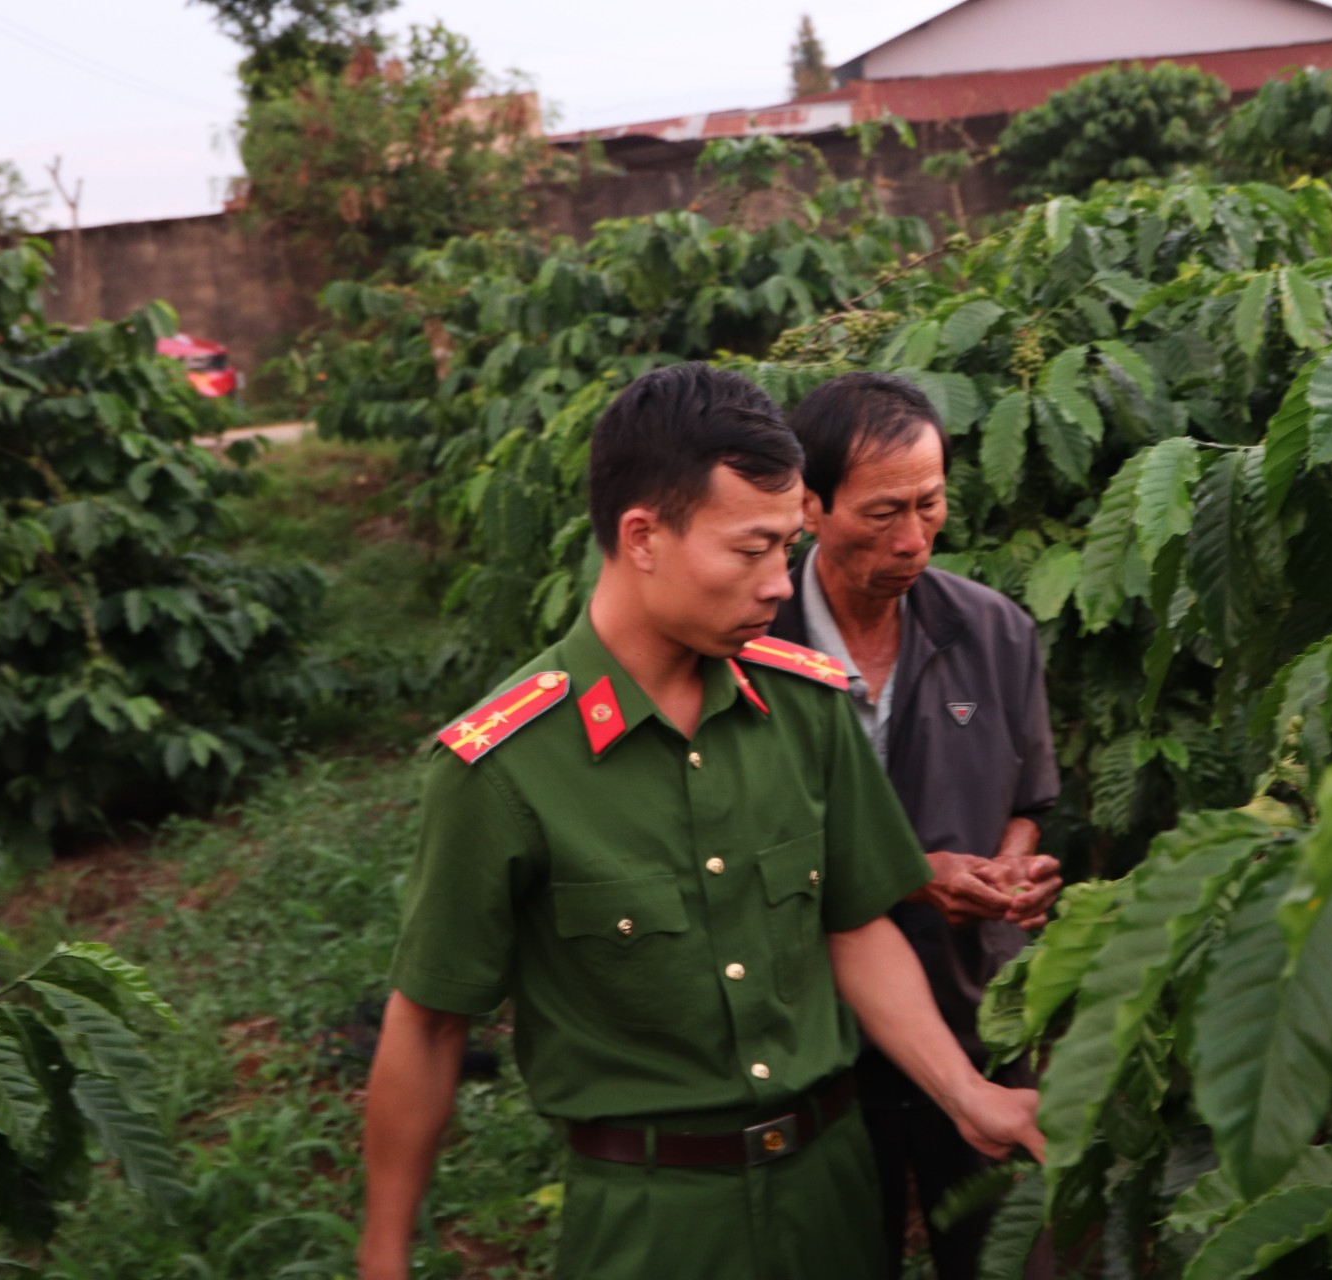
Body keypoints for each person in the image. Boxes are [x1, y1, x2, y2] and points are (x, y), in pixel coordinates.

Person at [357, 363, 1044, 1280]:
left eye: (785, 547)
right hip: (653, 1221)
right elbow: (432, 1022)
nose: (778, 582)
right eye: (751, 550)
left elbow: (852, 922)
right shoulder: (507, 767)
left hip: (831, 1194)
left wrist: (968, 1097)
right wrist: (385, 1254)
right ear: (643, 536)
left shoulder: (802, 705)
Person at [771, 372, 1062, 1280]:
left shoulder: (993, 631)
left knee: (1005, 1253)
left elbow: (1028, 802)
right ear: (810, 507)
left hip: (975, 1014)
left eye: (929, 505)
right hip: (808, 1041)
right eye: (881, 512)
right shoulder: (750, 641)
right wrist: (910, 873)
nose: (911, 540)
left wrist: (1009, 875)